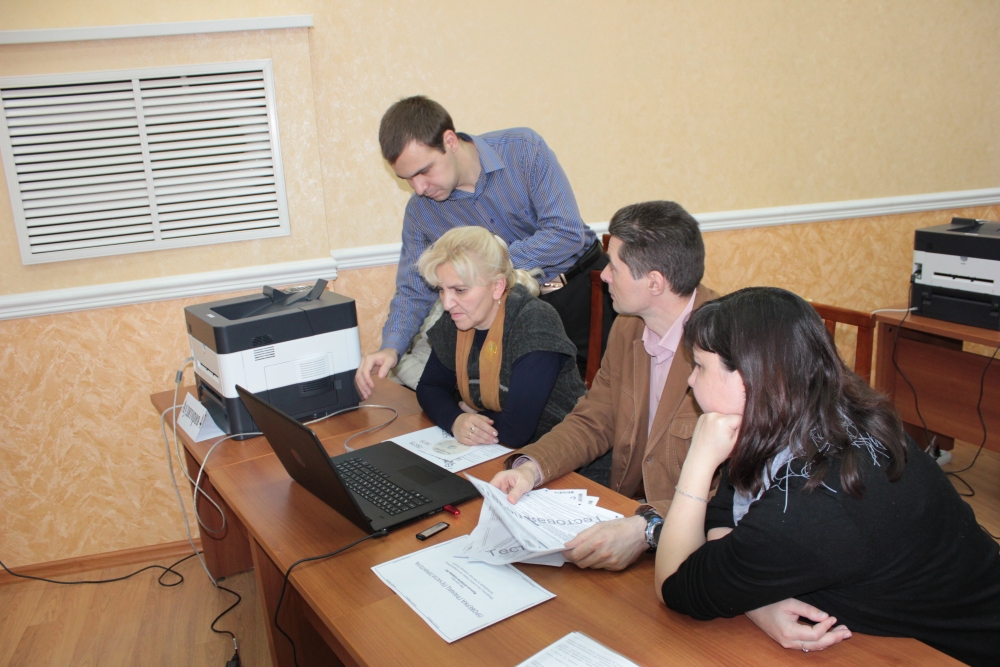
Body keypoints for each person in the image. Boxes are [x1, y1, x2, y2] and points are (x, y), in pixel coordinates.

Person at [655, 287, 1000, 665]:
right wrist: (754, 600)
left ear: (750, 379)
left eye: (700, 365)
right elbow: (725, 511)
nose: (690, 380)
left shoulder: (814, 502)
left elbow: (674, 585)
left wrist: (699, 462)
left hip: (950, 653)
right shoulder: (818, 414)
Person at [490, 200, 718, 570]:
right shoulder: (629, 327)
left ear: (655, 282)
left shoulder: (730, 350)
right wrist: (532, 467)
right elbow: (594, 420)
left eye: (614, 265)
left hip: (691, 546)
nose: (604, 275)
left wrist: (647, 527)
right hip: (623, 515)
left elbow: (742, 492)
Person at [355, 96, 612, 398]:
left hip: (583, 294)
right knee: (533, 410)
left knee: (614, 400)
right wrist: (391, 347)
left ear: (450, 141)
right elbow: (414, 289)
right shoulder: (421, 212)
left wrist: (486, 263)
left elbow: (566, 233)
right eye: (407, 178)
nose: (419, 188)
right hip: (513, 314)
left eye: (424, 171)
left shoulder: (523, 150)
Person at [414, 227, 587, 448]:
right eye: (441, 289)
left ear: (497, 286)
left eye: (460, 290)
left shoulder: (534, 321)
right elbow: (429, 387)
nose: (447, 304)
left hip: (564, 453)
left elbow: (516, 431)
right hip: (500, 450)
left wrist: (472, 415)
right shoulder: (457, 318)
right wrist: (456, 420)